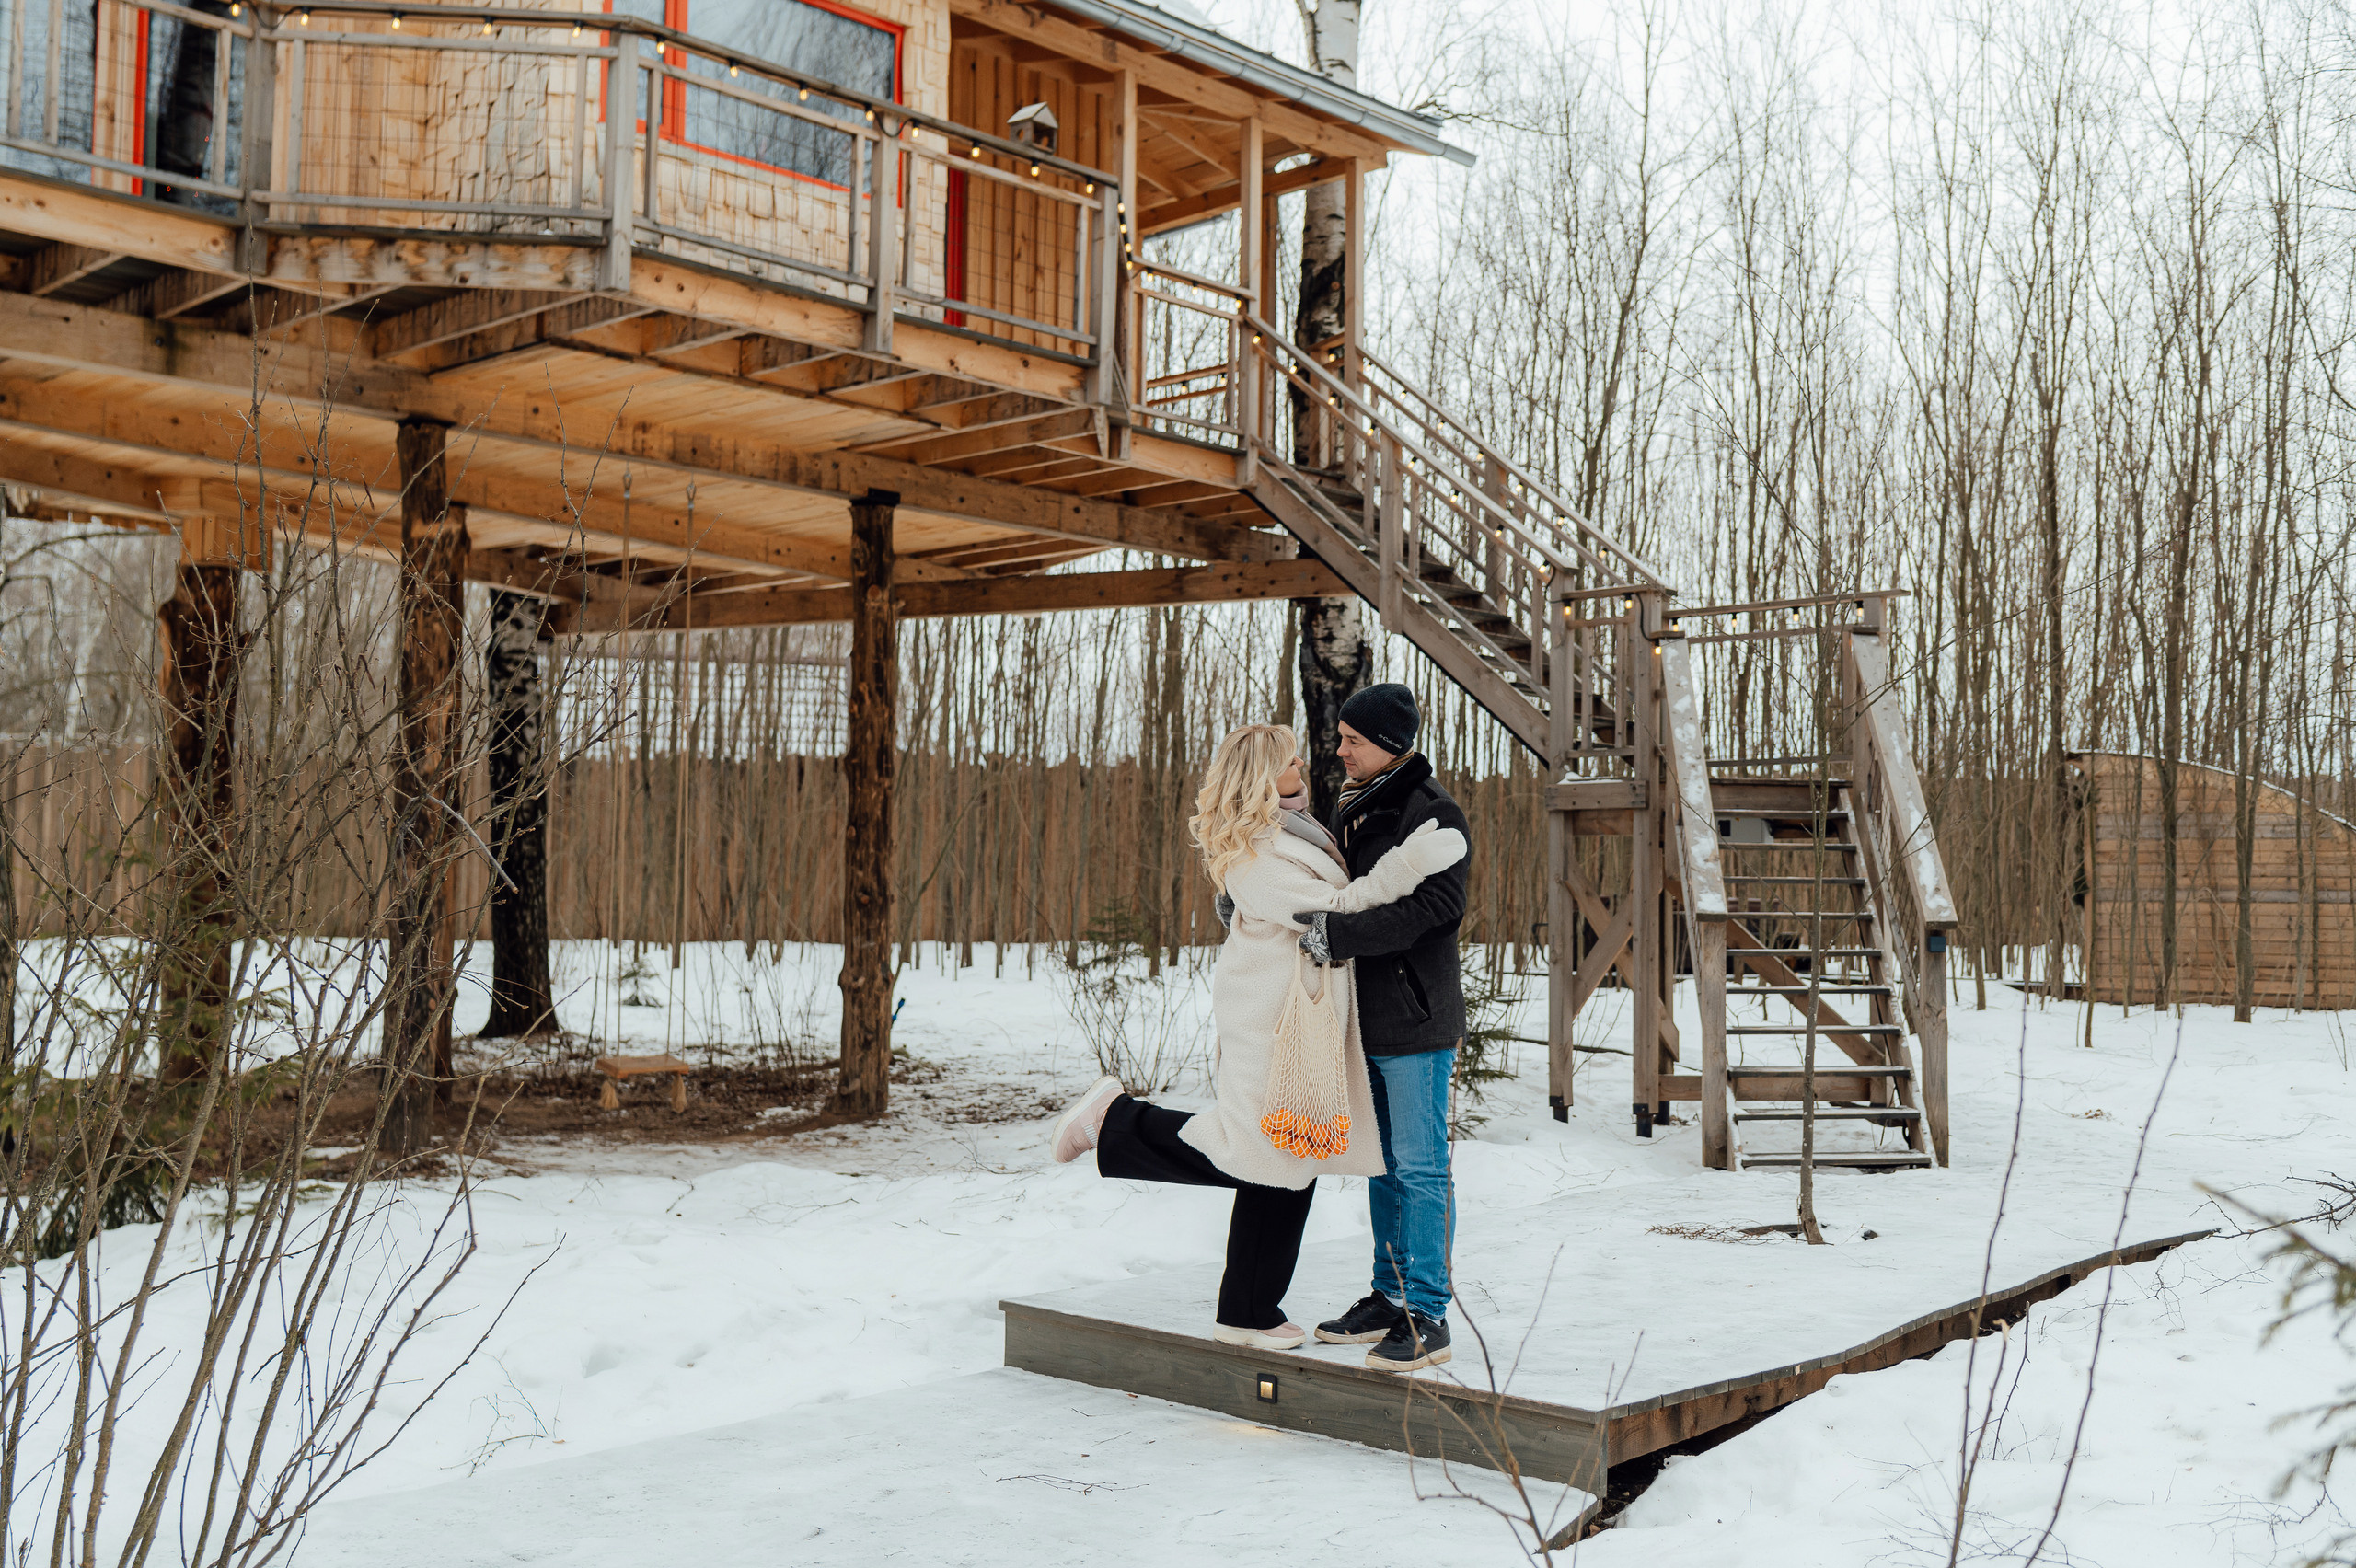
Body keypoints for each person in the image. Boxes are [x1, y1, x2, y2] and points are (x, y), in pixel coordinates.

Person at [1047, 722, 1467, 1355]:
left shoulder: (1293, 826)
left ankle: (1248, 1310)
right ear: (1266, 775)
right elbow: (1339, 907)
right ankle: (1115, 1122)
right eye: (1293, 757)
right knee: (1264, 1153)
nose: (1314, 760)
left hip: (1301, 1016)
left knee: (1286, 1159)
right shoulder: (1260, 849)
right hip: (1270, 1020)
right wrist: (1406, 865)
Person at [1295, 683, 1469, 1373]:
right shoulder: (1353, 808)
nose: (1340, 751)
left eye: (1353, 741)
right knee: (1382, 1165)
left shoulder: (1433, 814)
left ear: (1390, 746)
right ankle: (1389, 1294)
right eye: (1341, 738)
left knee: (1422, 1168)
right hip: (1362, 1017)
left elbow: (1432, 911)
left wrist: (1335, 936)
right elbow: (1324, 886)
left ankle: (1428, 1312)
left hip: (1416, 1017)